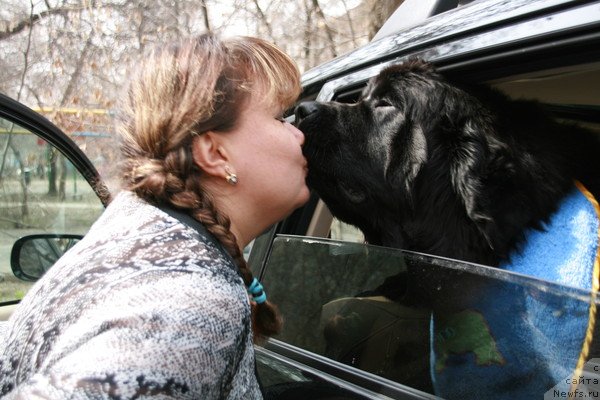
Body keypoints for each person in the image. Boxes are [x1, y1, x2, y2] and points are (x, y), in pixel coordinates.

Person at [0, 34, 309, 399]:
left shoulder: (140, 230)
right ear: (214, 153)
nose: (300, 135)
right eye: (281, 117)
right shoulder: (192, 304)